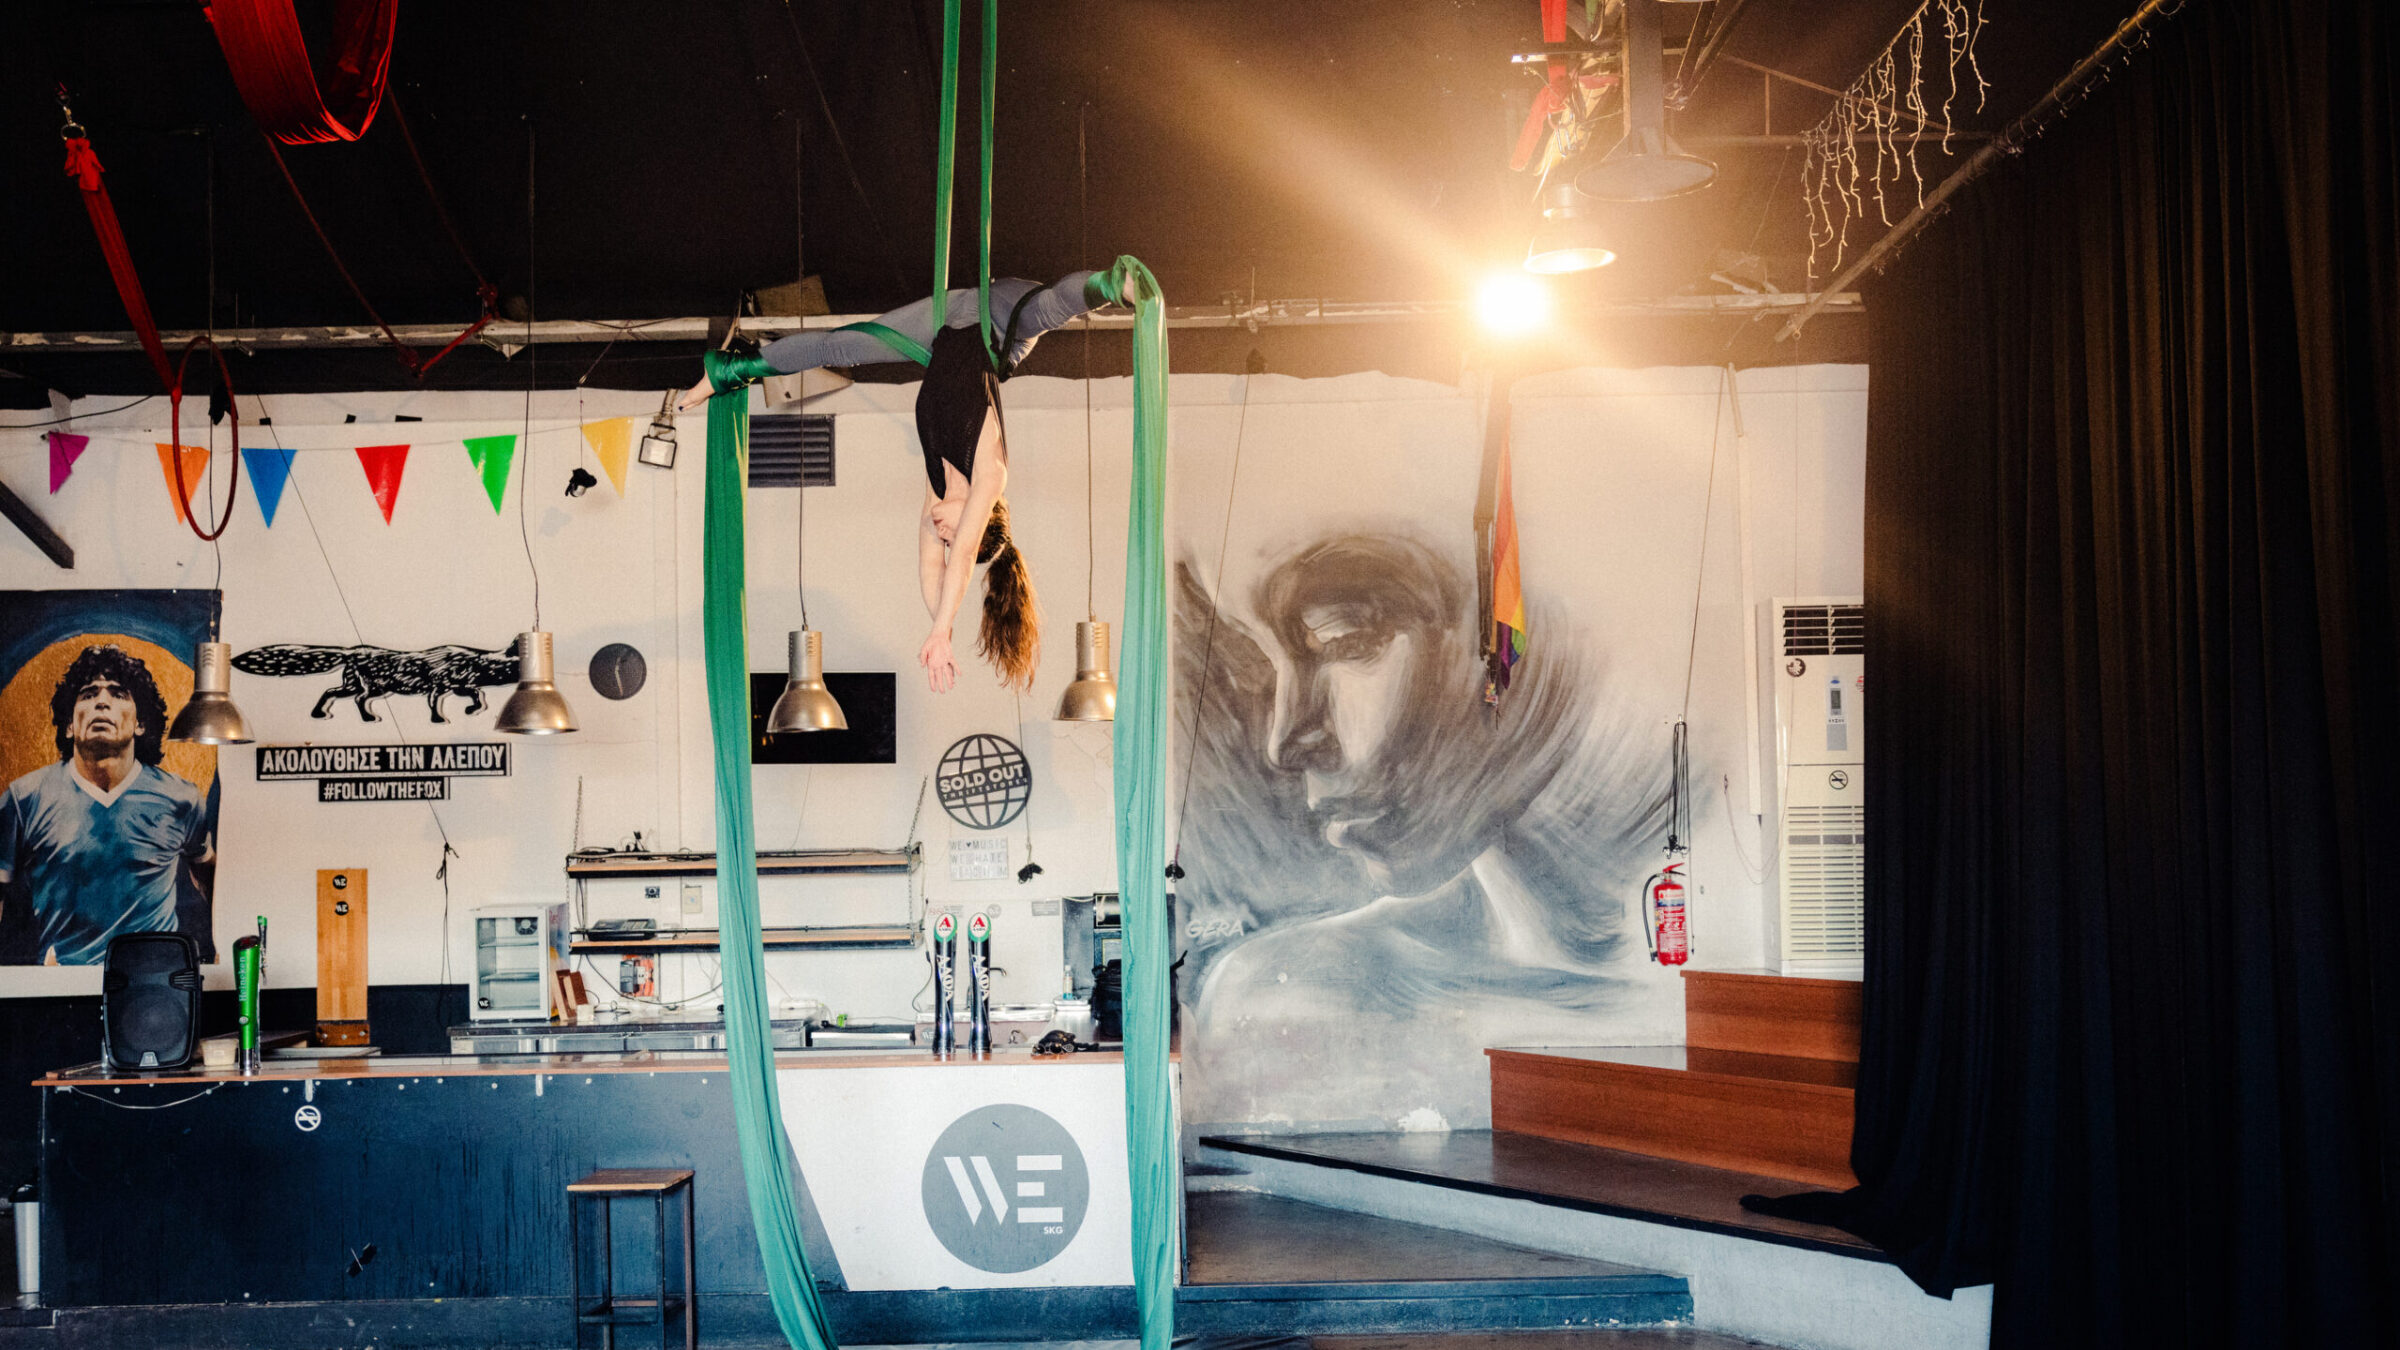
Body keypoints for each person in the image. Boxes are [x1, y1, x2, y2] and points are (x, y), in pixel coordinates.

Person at [1175, 530, 1677, 1126]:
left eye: (1346, 639)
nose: (1286, 741)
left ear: (1514, 636)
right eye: (1262, 661)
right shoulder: (1283, 989)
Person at [682, 272, 1118, 692]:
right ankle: (1113, 284)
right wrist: (945, 628)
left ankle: (728, 370)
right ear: (978, 519)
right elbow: (964, 555)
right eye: (951, 538)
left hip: (945, 326)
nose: (942, 538)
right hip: (1001, 328)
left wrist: (938, 630)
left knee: (838, 346)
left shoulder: (937, 487)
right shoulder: (991, 473)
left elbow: (932, 570)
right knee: (1050, 309)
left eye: (943, 542)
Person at [0, 645, 215, 966]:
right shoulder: (24, 797)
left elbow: (209, 873)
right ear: (70, 724)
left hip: (152, 981)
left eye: (118, 693)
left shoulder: (181, 797)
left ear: (140, 723)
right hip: (63, 981)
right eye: (88, 694)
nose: (102, 702)